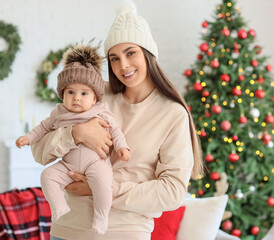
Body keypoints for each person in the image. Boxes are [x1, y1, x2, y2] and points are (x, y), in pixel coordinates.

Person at [31, 1, 203, 240]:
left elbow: (173, 192)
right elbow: (39, 152)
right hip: (66, 231)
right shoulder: (92, 95)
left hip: (125, 233)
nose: (123, 65)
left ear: (148, 53)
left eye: (131, 53)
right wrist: (75, 134)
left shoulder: (172, 114)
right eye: (114, 58)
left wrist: (101, 188)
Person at [16, 43, 130, 235]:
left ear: (94, 98)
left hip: (96, 161)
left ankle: (101, 217)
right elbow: (43, 128)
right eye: (70, 92)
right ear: (62, 95)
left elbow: (116, 130)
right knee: (47, 176)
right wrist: (27, 138)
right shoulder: (59, 112)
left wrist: (122, 148)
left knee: (103, 185)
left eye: (84, 93)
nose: (76, 98)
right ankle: (59, 206)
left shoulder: (101, 111)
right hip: (68, 165)